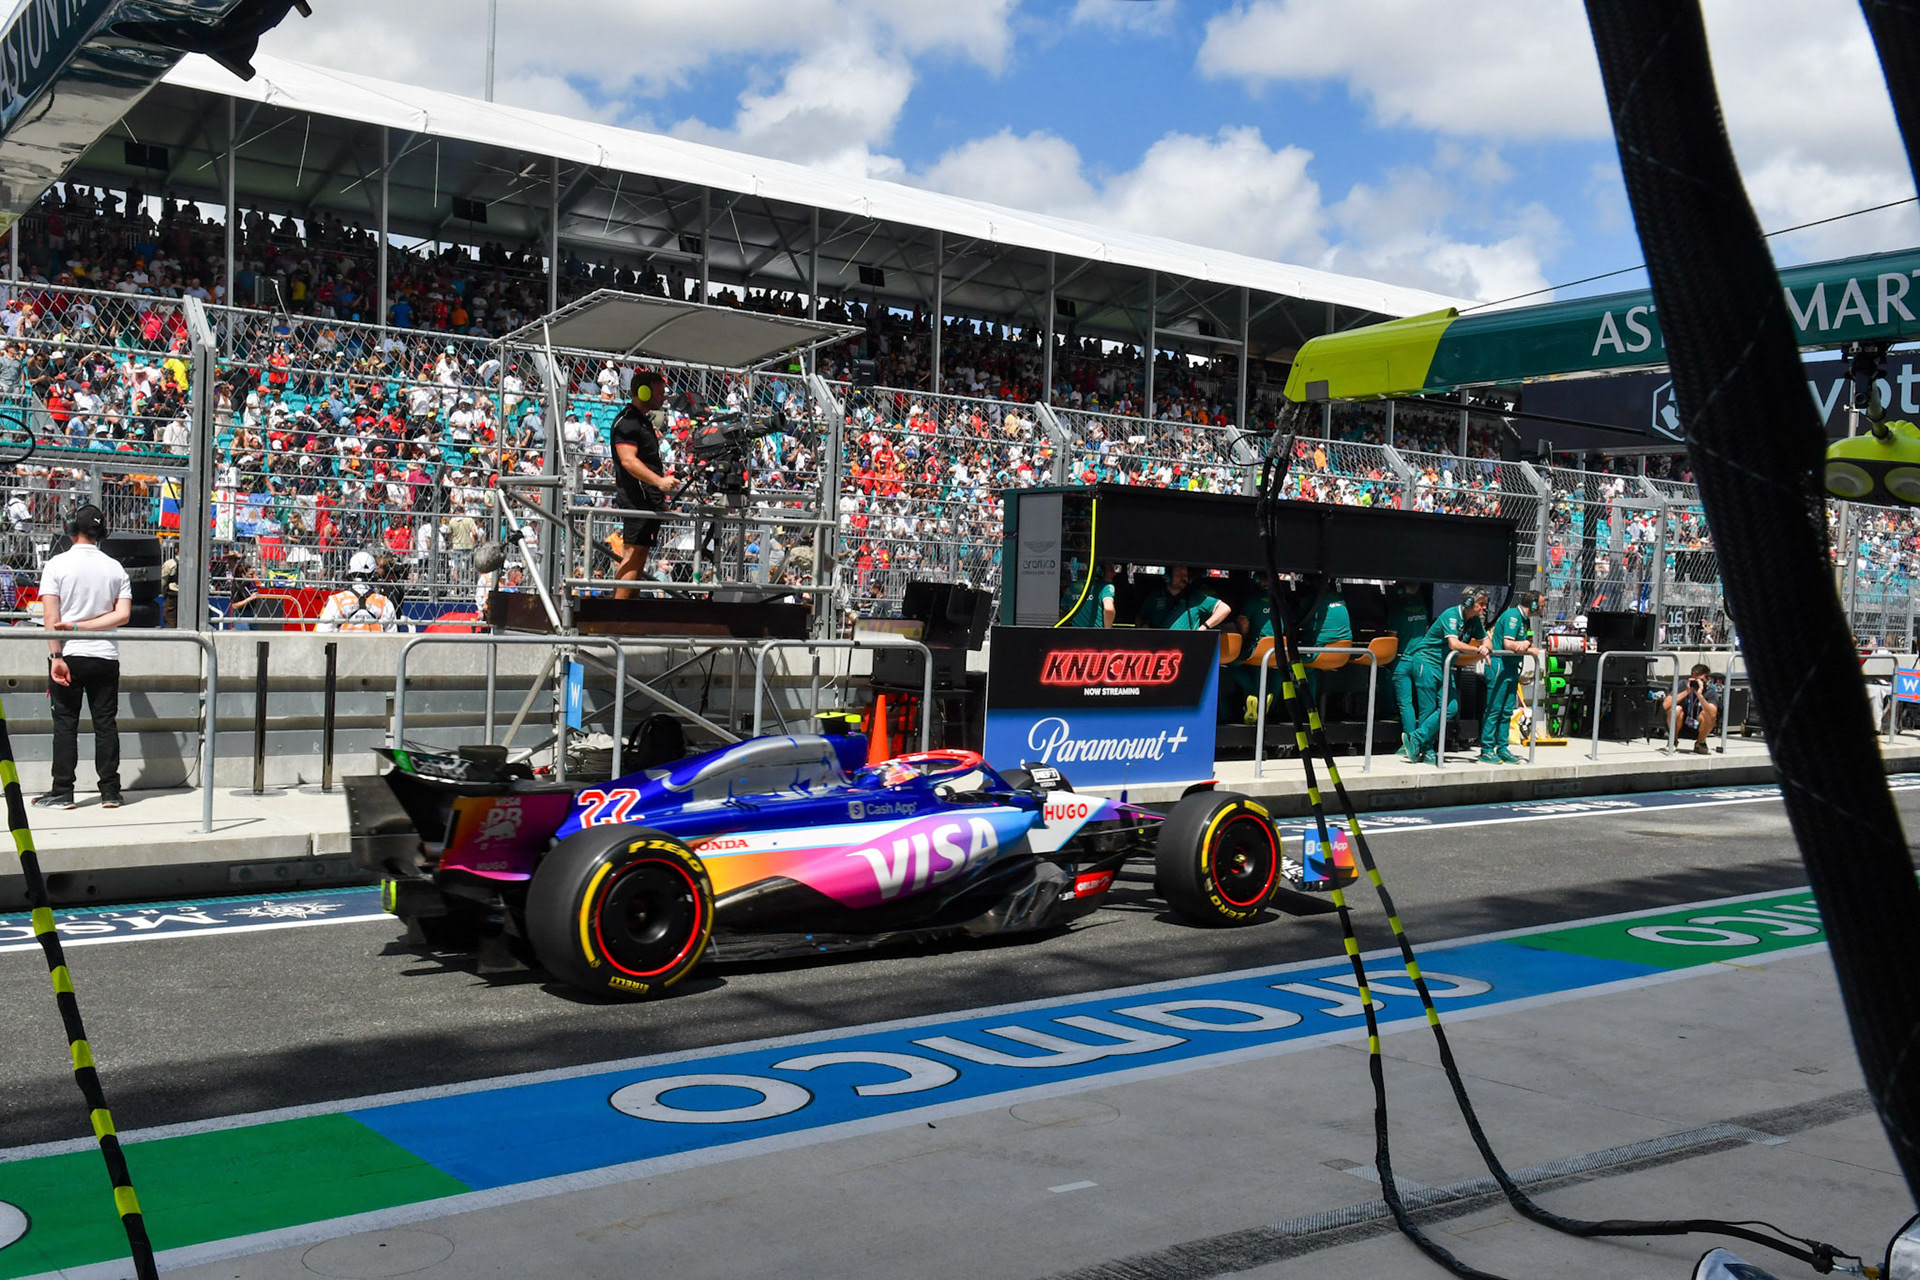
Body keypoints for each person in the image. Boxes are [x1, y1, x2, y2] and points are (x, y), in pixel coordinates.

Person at [37, 504, 131, 809]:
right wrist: (85, 626)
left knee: (65, 723)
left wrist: (56, 656)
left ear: (69, 528)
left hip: (71, 654)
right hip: (105, 655)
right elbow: (123, 615)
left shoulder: (56, 565)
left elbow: (51, 617)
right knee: (106, 723)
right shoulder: (115, 567)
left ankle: (63, 791)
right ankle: (110, 792)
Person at [1402, 586, 1491, 765]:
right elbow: (1454, 644)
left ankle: (1416, 739)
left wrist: (1486, 647)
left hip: (1444, 665)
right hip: (1426, 663)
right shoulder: (1450, 615)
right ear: (1468, 602)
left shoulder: (1474, 621)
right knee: (1428, 710)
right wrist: (1477, 650)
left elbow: (1486, 640)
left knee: (1451, 707)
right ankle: (1426, 751)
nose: (1485, 608)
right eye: (1481, 604)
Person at [609, 370, 677, 599]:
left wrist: (658, 500)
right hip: (636, 498)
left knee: (640, 555)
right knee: (633, 554)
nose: (664, 397)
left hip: (646, 499)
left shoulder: (641, 421)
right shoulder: (628, 422)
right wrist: (659, 481)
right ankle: (615, 617)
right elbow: (628, 460)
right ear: (643, 392)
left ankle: (627, 615)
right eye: (660, 392)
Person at [1479, 590, 1542, 765]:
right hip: (1500, 665)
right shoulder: (1513, 616)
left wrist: (1527, 644)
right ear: (1534, 604)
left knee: (1507, 710)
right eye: (1541, 604)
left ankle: (1503, 747)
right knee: (1494, 708)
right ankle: (1486, 748)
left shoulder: (1524, 620)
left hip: (1511, 667)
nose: (1543, 608)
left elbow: (1526, 641)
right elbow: (1509, 643)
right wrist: (1527, 648)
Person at [1386, 581, 1431, 759]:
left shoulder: (1397, 611)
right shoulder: (1423, 609)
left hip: (1401, 661)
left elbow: (1391, 639)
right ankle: (1422, 743)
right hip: (1421, 660)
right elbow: (1427, 633)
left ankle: (1410, 743)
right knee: (1424, 704)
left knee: (1405, 704)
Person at [317, 551, 398, 632]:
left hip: (344, 644)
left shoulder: (337, 601)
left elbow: (323, 631)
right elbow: (392, 636)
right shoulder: (384, 603)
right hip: (375, 644)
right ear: (373, 574)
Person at [1136, 565, 1231, 631]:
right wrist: (1143, 627)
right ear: (1168, 575)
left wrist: (1204, 627)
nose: (1183, 578)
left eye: (1185, 575)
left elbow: (1224, 609)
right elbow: (1140, 618)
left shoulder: (1195, 598)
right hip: (1159, 648)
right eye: (1179, 574)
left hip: (1187, 647)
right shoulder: (1154, 597)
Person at [1662, 663, 1720, 754]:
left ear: (1707, 680)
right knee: (1676, 709)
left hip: (1700, 727)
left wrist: (1699, 695)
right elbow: (1665, 705)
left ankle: (1700, 743)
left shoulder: (1710, 692)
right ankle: (1673, 741)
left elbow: (1712, 714)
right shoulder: (1683, 685)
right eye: (1694, 679)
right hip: (1680, 724)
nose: (1696, 682)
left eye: (1700, 680)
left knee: (1707, 714)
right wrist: (1687, 691)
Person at [1061, 561, 1114, 627]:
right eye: (1111, 570)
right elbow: (1109, 610)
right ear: (1100, 571)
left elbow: (1062, 612)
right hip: (1098, 635)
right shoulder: (1105, 587)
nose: (1114, 573)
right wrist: (1108, 632)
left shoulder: (1073, 588)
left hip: (1075, 635)